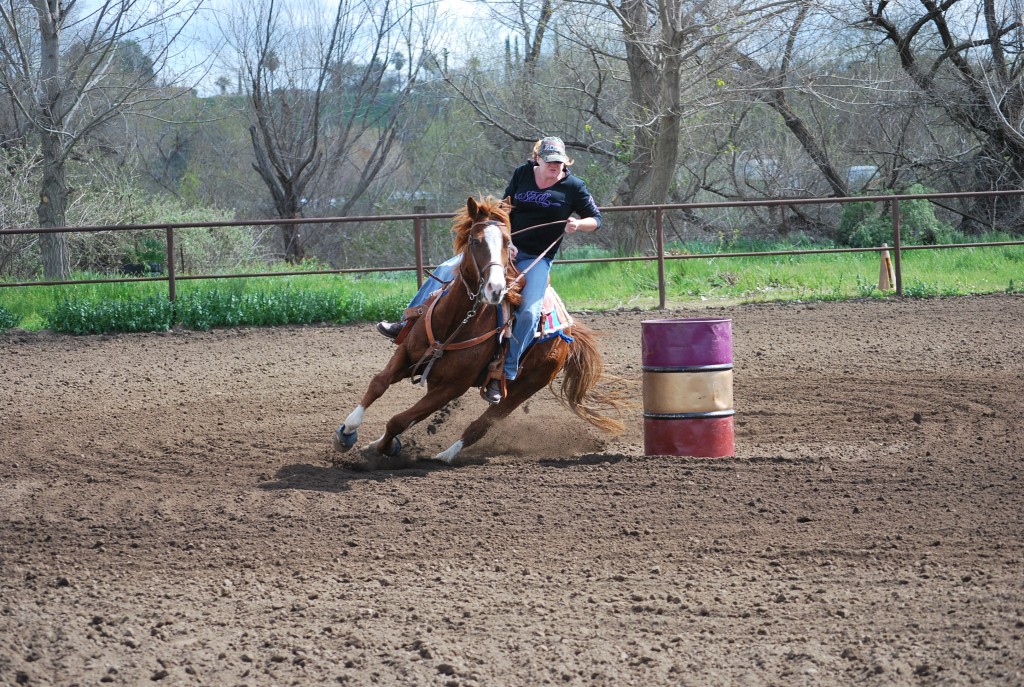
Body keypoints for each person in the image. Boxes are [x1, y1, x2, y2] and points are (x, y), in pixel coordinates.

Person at [377, 136, 602, 404]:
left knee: (530, 311)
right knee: (446, 269)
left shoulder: (573, 186)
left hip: (537, 259)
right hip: (505, 248)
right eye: (550, 160)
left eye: (559, 162)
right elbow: (504, 209)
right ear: (537, 159)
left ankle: (504, 372)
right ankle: (407, 322)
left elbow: (596, 218)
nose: (555, 166)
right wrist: (506, 241)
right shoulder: (522, 174)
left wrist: (579, 224)